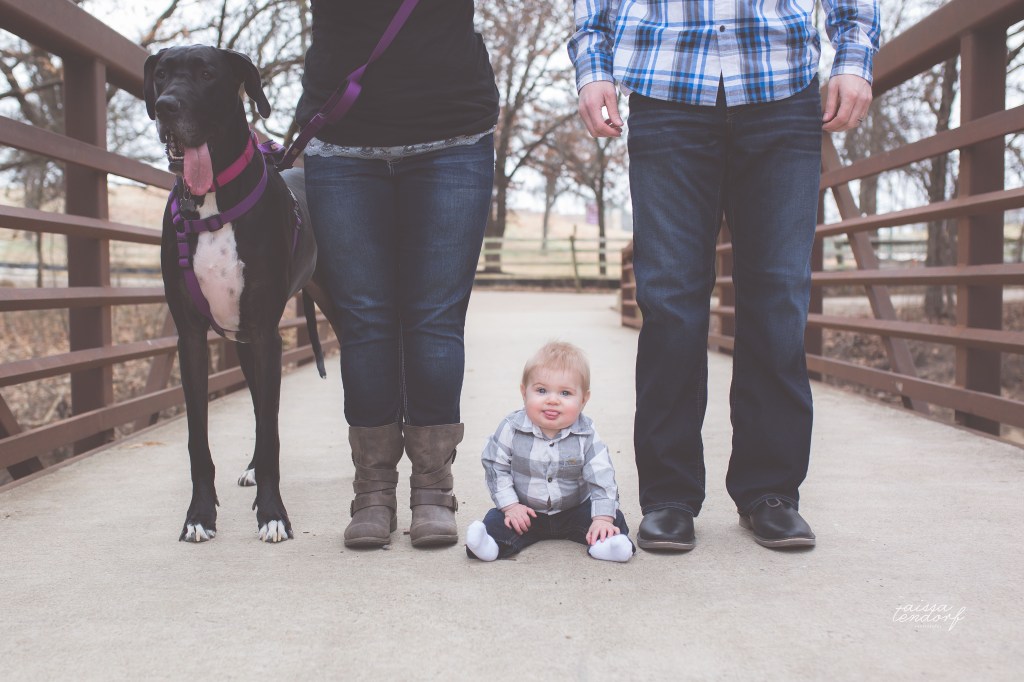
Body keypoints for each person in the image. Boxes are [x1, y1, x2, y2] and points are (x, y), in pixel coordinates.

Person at [569, 1, 879, 550]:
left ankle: (771, 492)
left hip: (780, 87)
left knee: (779, 298)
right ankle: (669, 496)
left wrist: (853, 56)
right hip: (667, 87)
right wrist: (594, 68)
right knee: (669, 303)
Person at [296, 0, 499, 548]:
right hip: (342, 139)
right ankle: (373, 491)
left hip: (453, 133)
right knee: (365, 321)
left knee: (435, 320)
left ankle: (433, 489)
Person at [465, 342, 635, 563]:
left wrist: (602, 518)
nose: (552, 400)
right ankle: (489, 546)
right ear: (524, 392)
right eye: (541, 390)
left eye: (565, 393)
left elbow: (601, 475)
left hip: (574, 509)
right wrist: (511, 506)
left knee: (613, 519)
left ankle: (608, 546)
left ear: (583, 400)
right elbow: (496, 466)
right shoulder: (512, 428)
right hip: (526, 512)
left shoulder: (586, 434)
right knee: (495, 521)